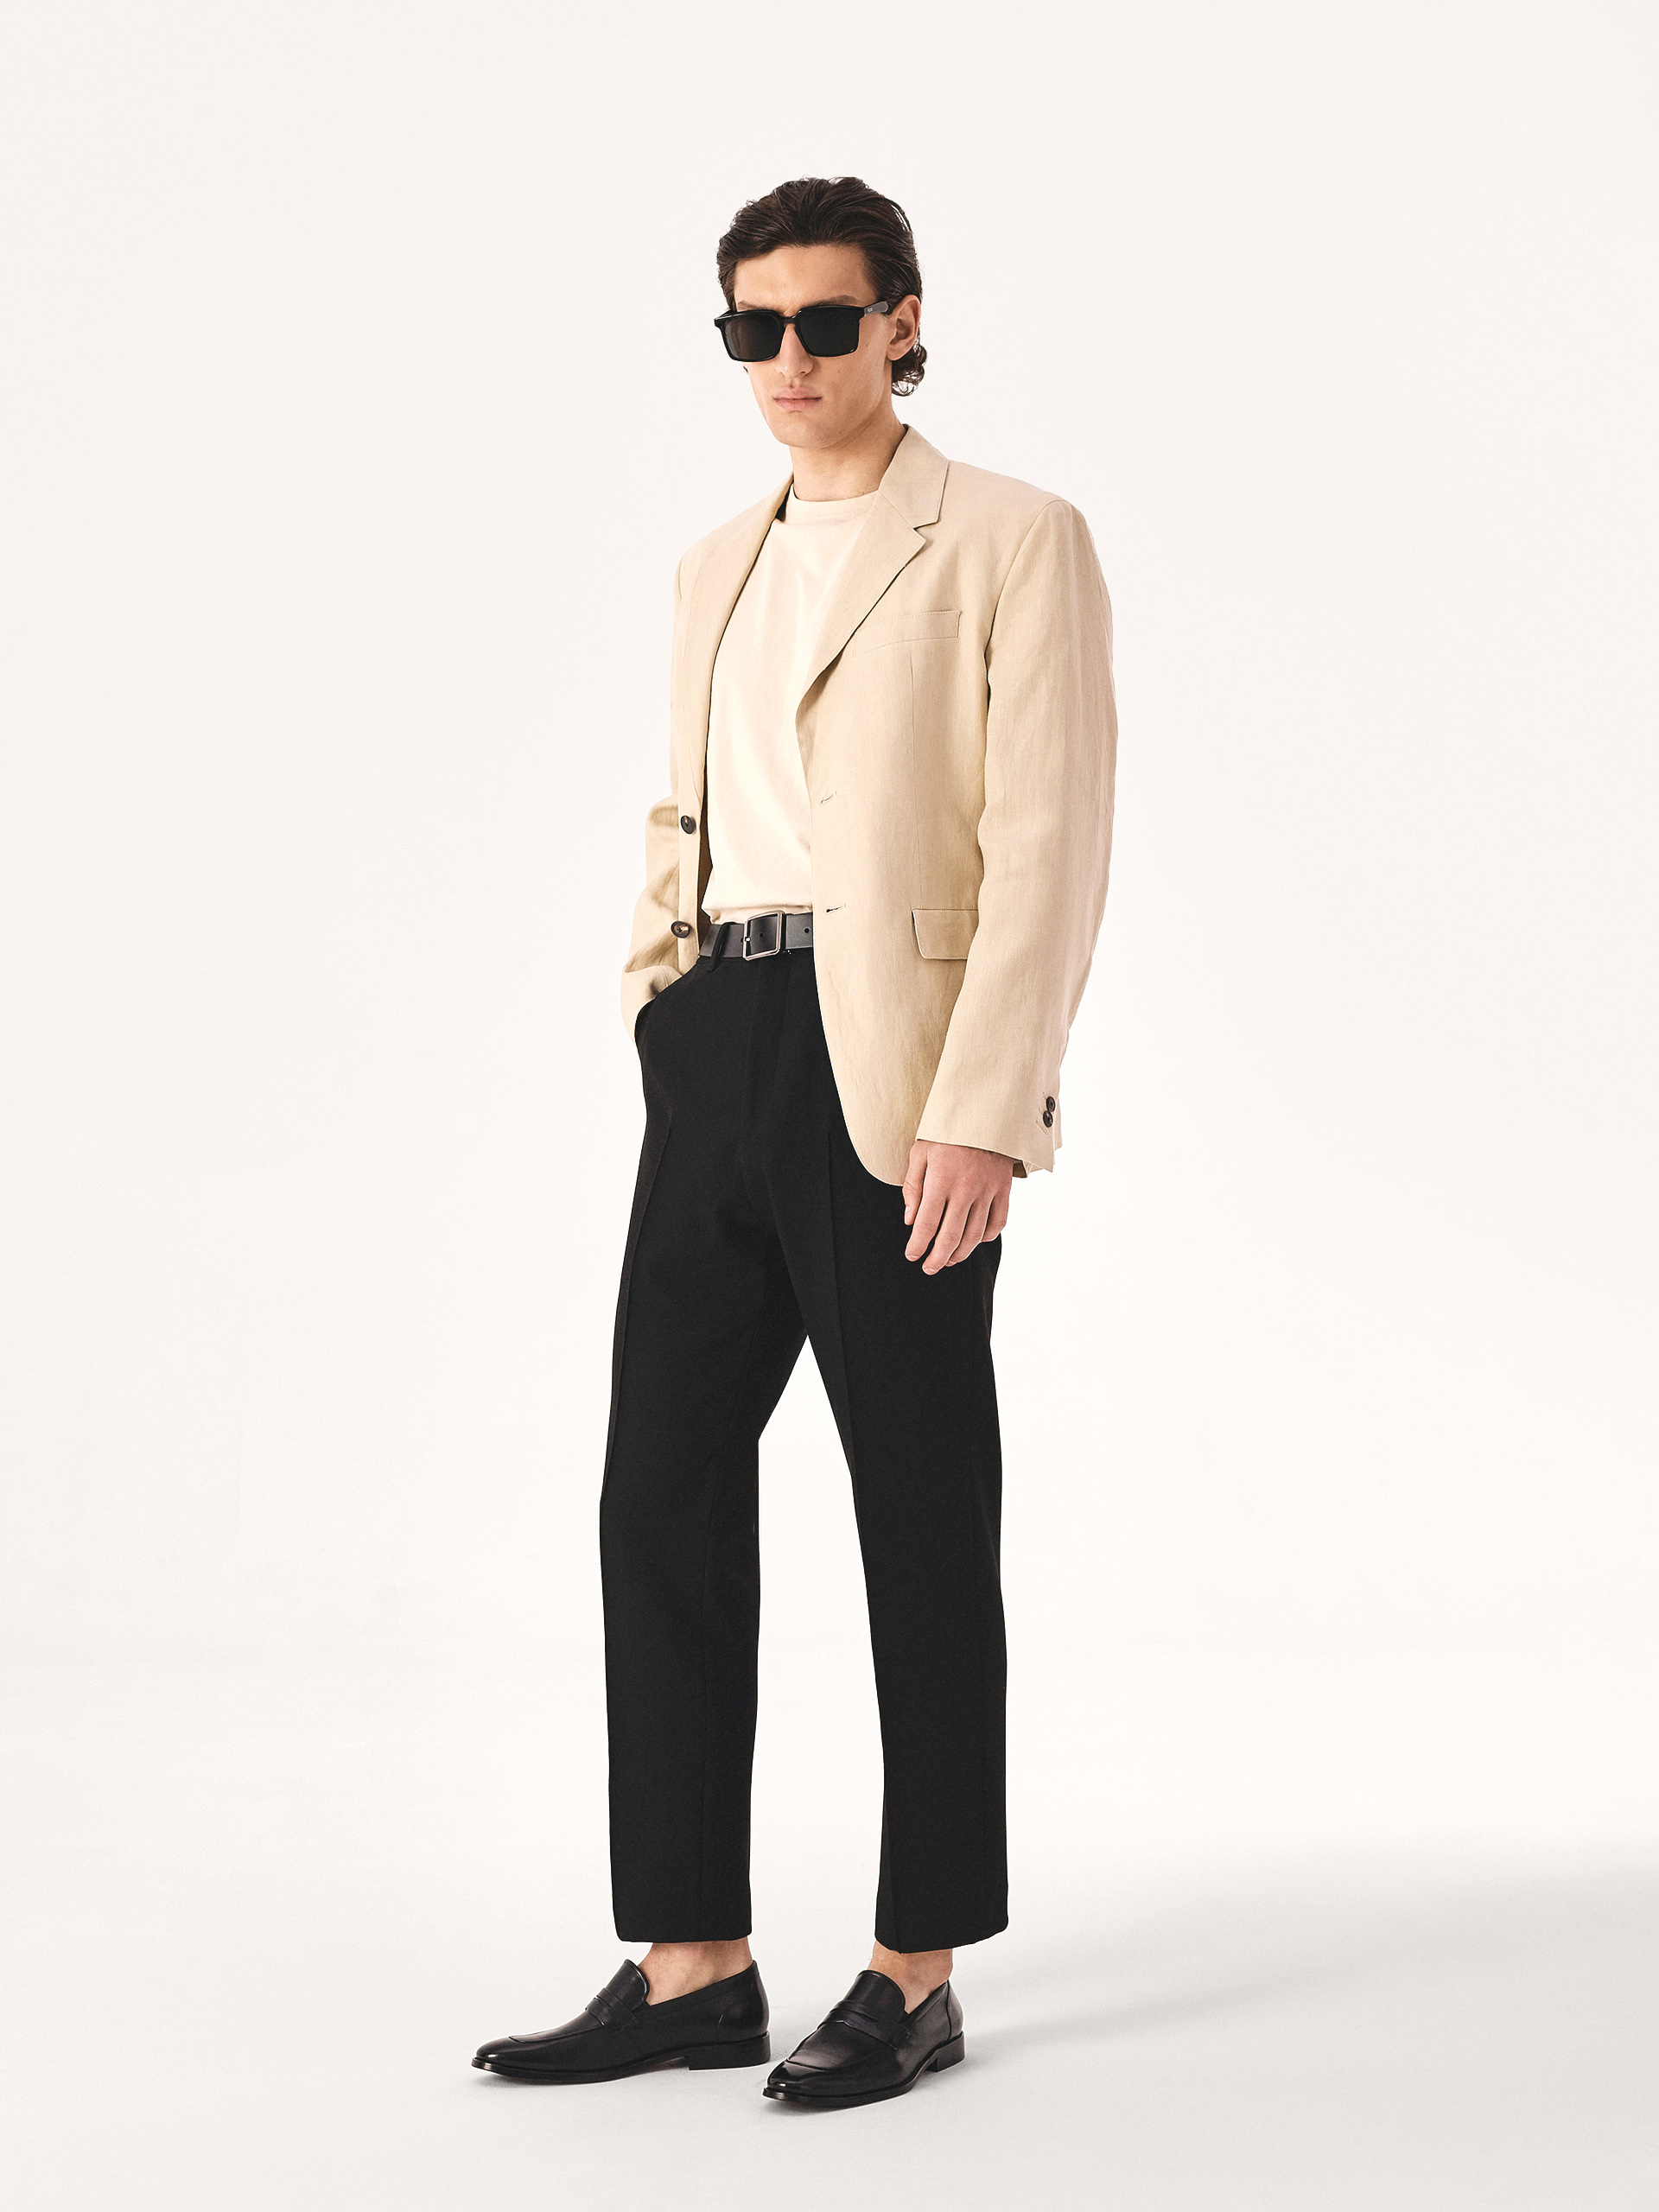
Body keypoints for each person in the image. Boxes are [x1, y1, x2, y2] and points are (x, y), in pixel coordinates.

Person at [474, 175, 1116, 2110]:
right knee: (657, 1491)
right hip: (721, 1041)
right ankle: (692, 1958)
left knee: (918, 1504)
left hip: (898, 1071)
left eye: (826, 323)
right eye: (753, 330)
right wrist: (657, 994)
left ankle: (917, 1963)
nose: (789, 361)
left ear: (903, 321)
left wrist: (985, 1108)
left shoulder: (1010, 536)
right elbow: (683, 805)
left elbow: (1047, 844)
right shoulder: (713, 563)